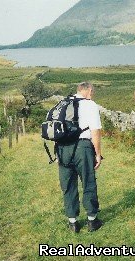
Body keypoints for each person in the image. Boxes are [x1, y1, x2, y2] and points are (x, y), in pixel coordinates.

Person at [57, 81, 103, 233]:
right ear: (88, 90)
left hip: (63, 148)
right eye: (92, 91)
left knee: (68, 184)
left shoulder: (63, 103)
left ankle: (73, 223)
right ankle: (92, 220)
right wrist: (97, 154)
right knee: (88, 181)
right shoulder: (90, 105)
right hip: (82, 146)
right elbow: (95, 131)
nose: (93, 94)